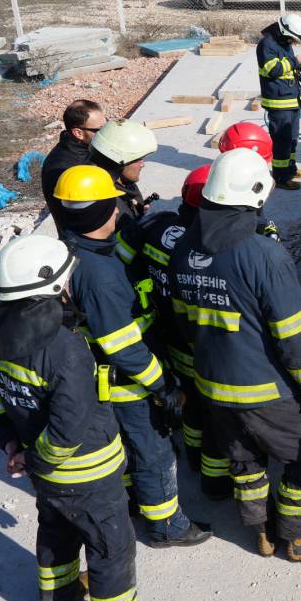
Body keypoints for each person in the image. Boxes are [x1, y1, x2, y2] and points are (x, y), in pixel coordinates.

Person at [0, 235, 178, 601]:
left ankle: (59, 599)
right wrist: (36, 460)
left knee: (56, 532)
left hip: (40, 467)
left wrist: (10, 443)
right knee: (110, 547)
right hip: (87, 473)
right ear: (52, 287)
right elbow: (70, 428)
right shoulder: (65, 350)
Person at [168, 148, 301, 562]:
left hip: (212, 385)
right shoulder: (263, 255)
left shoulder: (183, 250)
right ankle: (299, 537)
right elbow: (294, 333)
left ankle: (261, 532)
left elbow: (183, 322)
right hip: (266, 389)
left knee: (245, 462)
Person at [53, 165, 211, 550]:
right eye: (115, 204)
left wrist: (136, 231)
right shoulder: (100, 277)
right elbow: (123, 346)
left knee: (129, 444)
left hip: (104, 375)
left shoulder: (79, 249)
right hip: (127, 380)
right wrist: (164, 385)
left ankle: (136, 503)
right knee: (154, 450)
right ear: (103, 210)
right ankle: (166, 526)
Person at [126, 166, 230, 500]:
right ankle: (214, 479)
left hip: (164, 337)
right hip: (200, 343)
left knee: (190, 404)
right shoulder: (206, 246)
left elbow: (126, 261)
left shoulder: (156, 224)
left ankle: (194, 456)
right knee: (213, 413)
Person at [258, 14, 301, 189]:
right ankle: (281, 178)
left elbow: (287, 65)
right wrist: (294, 61)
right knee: (282, 141)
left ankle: (290, 170)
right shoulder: (266, 45)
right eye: (292, 38)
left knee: (292, 139)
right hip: (279, 103)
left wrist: (298, 65)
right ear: (283, 30)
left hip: (292, 100)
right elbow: (271, 69)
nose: (292, 42)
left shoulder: (283, 42)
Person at [87, 119, 158, 244]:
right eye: (138, 160)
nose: (143, 164)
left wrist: (138, 212)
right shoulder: (108, 206)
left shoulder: (122, 181)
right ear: (117, 161)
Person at [41, 99, 106, 228]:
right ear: (78, 133)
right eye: (100, 130)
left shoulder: (85, 147)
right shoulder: (66, 168)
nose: (105, 133)